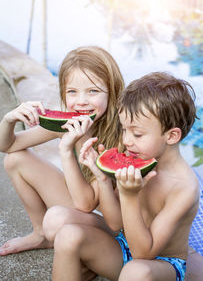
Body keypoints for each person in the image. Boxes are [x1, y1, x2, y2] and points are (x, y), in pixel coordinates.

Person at [50, 71, 200, 281]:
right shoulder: (135, 158)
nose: (127, 141)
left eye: (137, 134)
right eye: (124, 130)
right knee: (68, 236)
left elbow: (143, 254)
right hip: (123, 244)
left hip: (160, 265)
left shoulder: (184, 187)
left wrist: (129, 196)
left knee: (136, 272)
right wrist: (102, 179)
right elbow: (114, 223)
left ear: (172, 135)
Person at [0, 46, 125, 256]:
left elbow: (85, 204)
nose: (81, 101)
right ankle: (40, 234)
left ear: (112, 91)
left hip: (112, 228)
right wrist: (8, 119)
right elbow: (8, 146)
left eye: (93, 91)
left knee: (58, 219)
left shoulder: (119, 138)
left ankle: (90, 252)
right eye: (72, 92)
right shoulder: (69, 122)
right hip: (84, 212)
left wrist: (66, 151)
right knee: (15, 160)